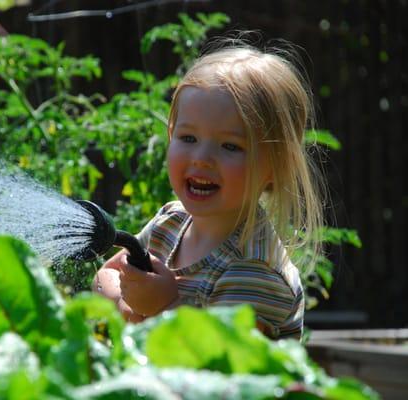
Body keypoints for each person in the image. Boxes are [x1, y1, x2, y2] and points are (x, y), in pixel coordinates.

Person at [93, 39, 325, 340]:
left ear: (275, 169)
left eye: (230, 146)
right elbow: (107, 274)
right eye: (188, 138)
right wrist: (126, 305)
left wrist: (164, 307)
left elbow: (219, 365)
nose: (201, 159)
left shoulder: (255, 272)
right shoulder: (170, 222)